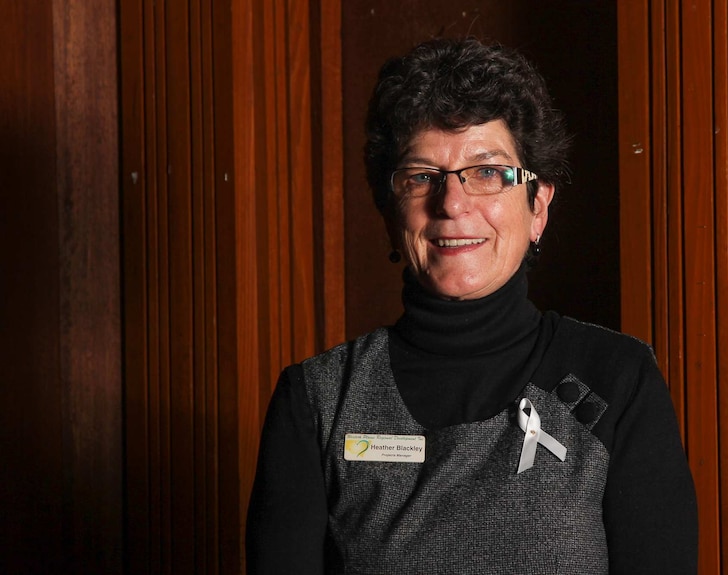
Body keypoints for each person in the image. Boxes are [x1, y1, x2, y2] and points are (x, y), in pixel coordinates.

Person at [246, 37, 698, 574]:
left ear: (538, 207)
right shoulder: (318, 402)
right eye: (421, 177)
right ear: (391, 213)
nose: (452, 203)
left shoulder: (619, 380)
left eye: (487, 173)